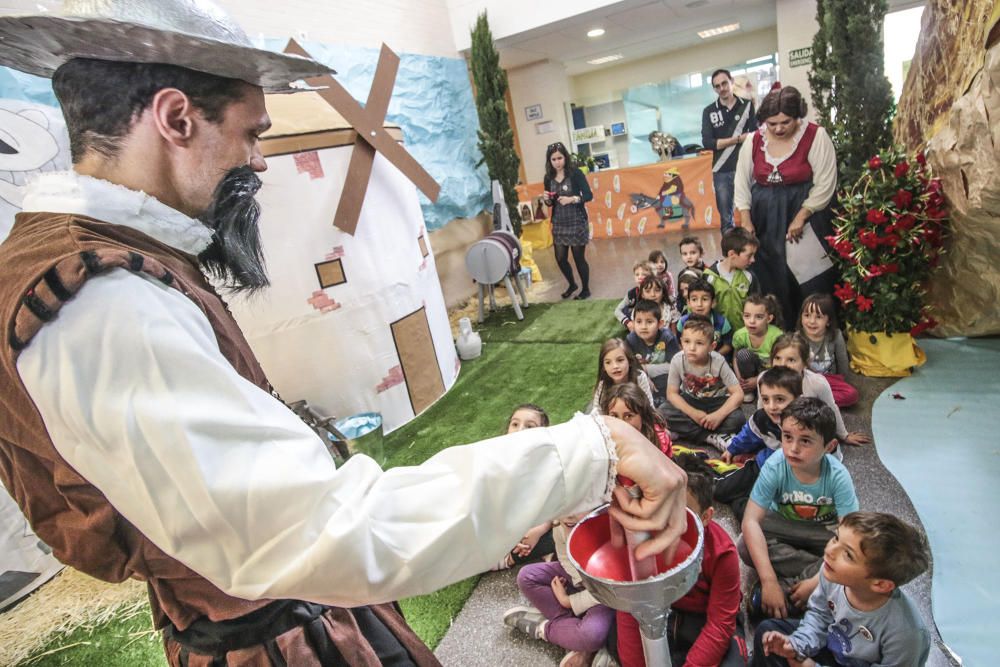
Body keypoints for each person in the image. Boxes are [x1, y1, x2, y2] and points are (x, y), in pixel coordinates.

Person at [0, 4, 690, 665]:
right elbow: (321, 527)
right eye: (250, 131)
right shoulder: (104, 305)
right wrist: (588, 450)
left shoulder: (79, 263)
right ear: (177, 118)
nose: (261, 160)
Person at [614, 454, 748, 667]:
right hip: (661, 613)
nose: (668, 521)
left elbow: (720, 624)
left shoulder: (723, 553)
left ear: (706, 517)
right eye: (662, 507)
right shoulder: (642, 538)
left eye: (681, 513)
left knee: (735, 659)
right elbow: (631, 606)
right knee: (620, 637)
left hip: (703, 618)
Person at [754, 512, 932, 666]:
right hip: (833, 649)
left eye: (847, 554)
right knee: (768, 633)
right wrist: (795, 645)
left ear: (880, 584)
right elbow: (819, 615)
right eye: (836, 538)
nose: (831, 551)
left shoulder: (906, 634)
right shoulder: (831, 573)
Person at [740, 398, 860, 620]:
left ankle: (798, 585)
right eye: (787, 437)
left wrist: (814, 582)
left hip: (824, 533)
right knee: (744, 545)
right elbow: (750, 521)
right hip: (784, 528)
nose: (793, 448)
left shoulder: (838, 476)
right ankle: (823, 581)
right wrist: (768, 581)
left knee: (856, 553)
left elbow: (850, 536)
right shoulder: (775, 466)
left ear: (829, 447)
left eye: (805, 441)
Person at [734, 85, 838, 328]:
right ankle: (780, 329)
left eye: (785, 122)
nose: (779, 128)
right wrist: (746, 219)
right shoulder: (753, 140)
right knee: (771, 273)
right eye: (772, 124)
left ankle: (816, 330)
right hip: (765, 218)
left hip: (805, 213)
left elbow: (825, 183)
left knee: (810, 275)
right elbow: (741, 182)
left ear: (798, 117)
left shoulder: (815, 135)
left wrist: (802, 216)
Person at [504, 512, 615, 667]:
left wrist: (569, 601)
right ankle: (571, 633)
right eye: (565, 507)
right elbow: (564, 556)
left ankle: (545, 628)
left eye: (577, 506)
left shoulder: (605, 524)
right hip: (578, 579)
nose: (569, 515)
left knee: (591, 636)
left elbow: (612, 587)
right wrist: (576, 581)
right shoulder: (561, 522)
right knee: (525, 576)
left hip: (602, 595)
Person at [714, 366, 803, 520]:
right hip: (759, 466)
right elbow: (748, 434)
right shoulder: (762, 418)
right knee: (719, 492)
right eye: (766, 399)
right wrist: (732, 450)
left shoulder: (807, 424)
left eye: (780, 399)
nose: (772, 406)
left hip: (788, 481)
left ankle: (743, 500)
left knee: (755, 516)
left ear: (798, 398)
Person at [767, 334, 871, 449]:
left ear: (805, 363)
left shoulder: (817, 383)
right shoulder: (765, 380)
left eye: (791, 360)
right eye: (777, 358)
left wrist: (844, 435)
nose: (782, 365)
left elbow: (832, 407)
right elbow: (761, 412)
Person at [660, 315, 746, 447]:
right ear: (681, 341)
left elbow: (738, 394)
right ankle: (710, 437)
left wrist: (718, 416)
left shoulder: (719, 362)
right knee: (663, 412)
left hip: (716, 402)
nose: (691, 348)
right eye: (687, 342)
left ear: (712, 346)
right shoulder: (677, 360)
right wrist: (693, 413)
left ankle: (685, 431)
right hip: (691, 400)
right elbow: (672, 393)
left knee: (738, 419)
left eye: (699, 343)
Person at [494, 405, 555, 571]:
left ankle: (538, 551)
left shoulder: (546, 462)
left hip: (533, 528)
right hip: (504, 534)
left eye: (529, 426)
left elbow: (555, 502)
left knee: (564, 524)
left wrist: (539, 530)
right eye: (515, 424)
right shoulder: (498, 461)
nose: (520, 430)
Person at [702, 69, 757, 234]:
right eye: (717, 86)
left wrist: (722, 142)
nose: (722, 88)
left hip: (747, 167)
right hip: (721, 170)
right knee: (727, 220)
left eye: (724, 83)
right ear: (714, 89)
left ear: (731, 82)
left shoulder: (747, 106)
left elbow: (754, 136)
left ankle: (757, 254)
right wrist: (738, 139)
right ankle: (730, 255)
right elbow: (708, 143)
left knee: (754, 214)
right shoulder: (709, 111)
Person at [543, 142, 594, 300]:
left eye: (560, 158)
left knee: (579, 258)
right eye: (554, 159)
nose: (557, 162)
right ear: (549, 161)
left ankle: (585, 289)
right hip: (559, 223)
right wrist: (547, 200)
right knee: (560, 258)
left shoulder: (575, 173)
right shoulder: (548, 177)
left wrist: (573, 198)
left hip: (577, 221)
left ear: (565, 157)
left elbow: (588, 195)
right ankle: (572, 284)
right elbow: (550, 202)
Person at [797, 293, 859, 407]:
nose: (811, 321)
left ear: (828, 321)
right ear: (801, 317)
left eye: (818, 317)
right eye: (807, 315)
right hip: (806, 380)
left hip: (830, 380)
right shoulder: (797, 338)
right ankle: (817, 399)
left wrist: (842, 383)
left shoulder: (836, 335)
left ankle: (813, 400)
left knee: (852, 394)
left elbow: (842, 361)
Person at [625, 300, 680, 407]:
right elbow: (629, 366)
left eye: (649, 322)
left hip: (665, 377)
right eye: (639, 322)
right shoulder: (631, 339)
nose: (644, 326)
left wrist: (645, 369)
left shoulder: (667, 337)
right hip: (641, 377)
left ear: (660, 324)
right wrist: (644, 375)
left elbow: (675, 366)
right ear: (633, 322)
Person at [704, 226, 761, 330]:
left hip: (744, 336)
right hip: (717, 337)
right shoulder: (708, 277)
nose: (753, 260)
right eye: (749, 256)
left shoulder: (749, 277)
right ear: (732, 254)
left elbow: (757, 307)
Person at [733, 293, 784, 403]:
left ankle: (762, 388)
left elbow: (781, 364)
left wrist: (757, 380)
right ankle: (749, 390)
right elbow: (735, 357)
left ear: (769, 318)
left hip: (771, 372)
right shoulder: (740, 335)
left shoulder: (777, 336)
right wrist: (740, 380)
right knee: (742, 354)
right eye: (747, 316)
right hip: (751, 370)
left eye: (759, 317)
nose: (751, 321)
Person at [601, 382, 673, 458]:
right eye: (614, 416)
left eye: (628, 416)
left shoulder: (659, 439)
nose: (621, 423)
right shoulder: (605, 442)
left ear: (642, 414)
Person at [591, 338, 657, 410]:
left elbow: (650, 408)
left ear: (629, 361)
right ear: (603, 367)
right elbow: (597, 415)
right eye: (608, 362)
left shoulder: (639, 378)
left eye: (620, 360)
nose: (615, 366)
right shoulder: (602, 386)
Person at [678, 278, 734, 359]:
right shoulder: (683, 322)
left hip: (716, 360)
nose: (699, 304)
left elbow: (728, 345)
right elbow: (679, 343)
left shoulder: (722, 322)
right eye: (694, 299)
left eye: (704, 299)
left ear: (713, 302)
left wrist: (711, 357)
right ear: (688, 303)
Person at [615, 260, 654, 331]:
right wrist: (628, 323)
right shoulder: (631, 294)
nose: (640, 277)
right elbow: (617, 310)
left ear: (652, 277)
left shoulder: (654, 294)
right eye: (637, 274)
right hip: (634, 322)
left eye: (644, 274)